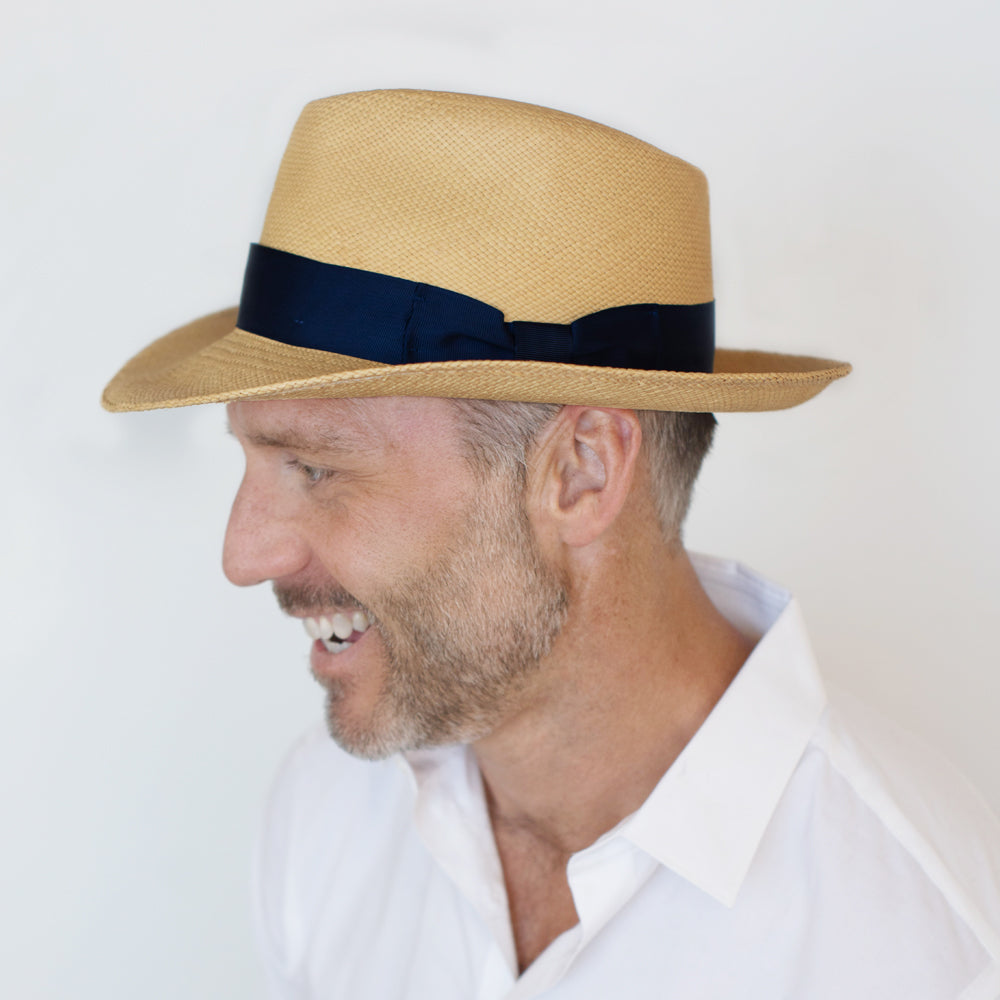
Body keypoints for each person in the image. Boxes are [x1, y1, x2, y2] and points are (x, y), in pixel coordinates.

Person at [103, 90, 1000, 999]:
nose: (244, 555)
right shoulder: (327, 814)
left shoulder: (922, 952)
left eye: (315, 468)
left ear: (581, 471)